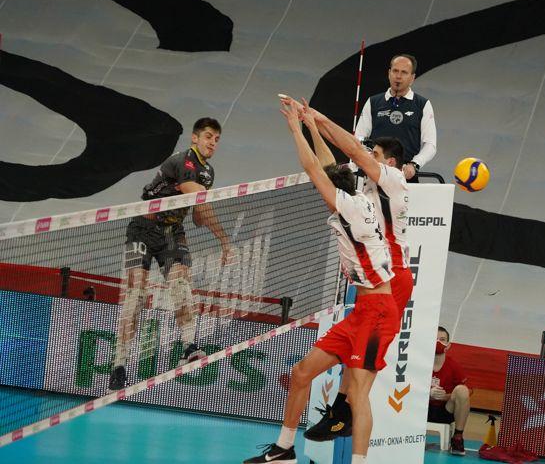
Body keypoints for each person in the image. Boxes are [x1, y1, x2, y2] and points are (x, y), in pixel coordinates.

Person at [243, 98, 400, 464]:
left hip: (379, 313)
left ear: (334, 192)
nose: (321, 192)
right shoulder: (355, 197)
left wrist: (295, 128)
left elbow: (314, 168)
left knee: (357, 395)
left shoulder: (349, 207)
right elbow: (328, 167)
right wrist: (313, 127)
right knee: (301, 374)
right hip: (361, 312)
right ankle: (284, 449)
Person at [298, 102, 412, 442]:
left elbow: (352, 149)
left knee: (363, 358)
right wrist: (313, 127)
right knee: (356, 346)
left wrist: (320, 118)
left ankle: (344, 413)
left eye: (374, 154)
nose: (367, 157)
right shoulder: (366, 189)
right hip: (372, 271)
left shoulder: (392, 180)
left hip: (392, 276)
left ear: (390, 163)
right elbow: (332, 167)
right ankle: (340, 412)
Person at [109, 118, 233, 390]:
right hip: (142, 230)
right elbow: (197, 198)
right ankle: (119, 365)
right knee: (135, 295)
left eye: (217, 139)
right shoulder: (182, 162)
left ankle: (188, 347)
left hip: (172, 233)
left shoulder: (208, 173)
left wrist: (204, 207)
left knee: (180, 285)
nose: (213, 143)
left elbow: (199, 216)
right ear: (195, 138)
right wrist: (224, 239)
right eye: (208, 136)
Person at [354, 54, 437, 181]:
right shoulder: (373, 102)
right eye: (395, 71)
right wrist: (369, 158)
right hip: (375, 175)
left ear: (412, 78)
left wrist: (414, 165)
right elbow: (359, 138)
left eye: (404, 72)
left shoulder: (423, 105)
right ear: (389, 73)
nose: (398, 76)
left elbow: (430, 145)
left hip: (406, 176)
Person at [429, 326, 470, 456]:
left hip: (445, 411)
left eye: (442, 340)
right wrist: (428, 394)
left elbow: (469, 391)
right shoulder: (420, 363)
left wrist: (445, 397)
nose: (438, 342)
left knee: (462, 390)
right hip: (421, 409)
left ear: (448, 345)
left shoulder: (453, 365)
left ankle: (457, 437)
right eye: (435, 339)